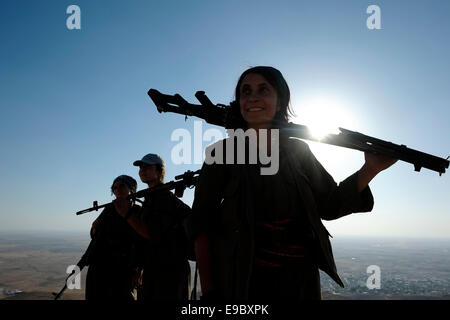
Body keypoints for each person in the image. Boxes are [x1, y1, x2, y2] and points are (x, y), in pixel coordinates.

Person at [190, 66, 397, 301]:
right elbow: (201, 227)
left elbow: (329, 205)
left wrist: (370, 169)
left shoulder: (299, 150)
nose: (253, 97)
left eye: (263, 90)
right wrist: (209, 293)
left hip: (299, 280)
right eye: (245, 91)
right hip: (243, 281)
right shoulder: (221, 154)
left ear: (279, 102)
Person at [114, 153, 192, 300]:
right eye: (141, 167)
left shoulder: (164, 198)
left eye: (147, 167)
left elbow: (152, 234)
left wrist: (126, 213)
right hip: (156, 268)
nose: (142, 170)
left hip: (170, 271)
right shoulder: (152, 198)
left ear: (159, 171)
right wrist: (141, 267)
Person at [85, 175, 144, 300]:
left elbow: (143, 242)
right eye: (115, 188)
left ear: (132, 189)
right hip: (100, 268)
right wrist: (94, 228)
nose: (117, 190)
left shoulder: (137, 211)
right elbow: (95, 235)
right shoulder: (109, 209)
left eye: (122, 186)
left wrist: (139, 270)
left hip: (124, 270)